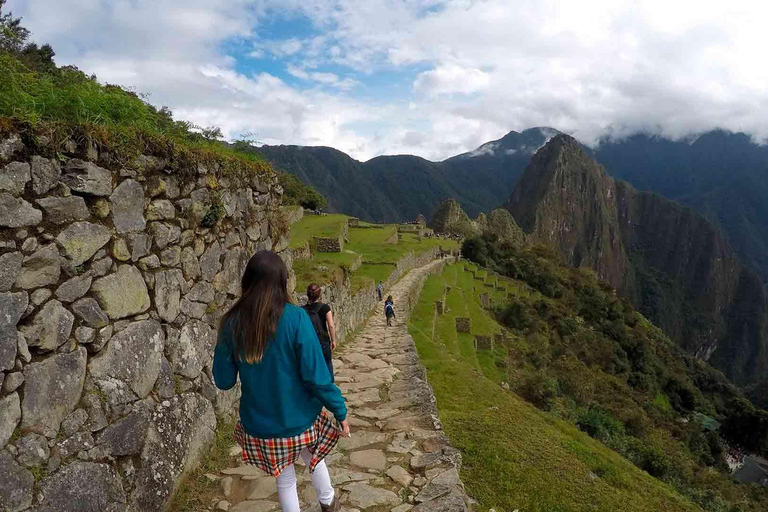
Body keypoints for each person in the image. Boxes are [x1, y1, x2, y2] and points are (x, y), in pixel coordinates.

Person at [213, 250, 349, 512]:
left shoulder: (231, 323)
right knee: (314, 456)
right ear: (282, 281)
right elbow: (316, 376)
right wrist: (339, 410)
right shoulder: (296, 318)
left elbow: (224, 380)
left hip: (262, 423)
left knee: (285, 479)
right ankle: (329, 502)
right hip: (299, 418)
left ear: (247, 281)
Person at [303, 283, 337, 382]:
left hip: (309, 343)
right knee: (327, 363)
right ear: (319, 294)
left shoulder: (302, 310)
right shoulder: (325, 307)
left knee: (312, 366)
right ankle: (330, 386)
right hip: (323, 341)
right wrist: (333, 340)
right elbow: (331, 325)